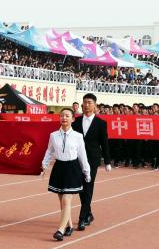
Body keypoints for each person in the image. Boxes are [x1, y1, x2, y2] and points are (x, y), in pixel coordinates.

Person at [41, 108, 90, 241]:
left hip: (72, 168)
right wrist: (44, 165)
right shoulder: (53, 135)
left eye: (67, 116)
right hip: (59, 168)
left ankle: (60, 230)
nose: (64, 118)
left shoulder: (78, 136)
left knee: (66, 200)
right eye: (62, 115)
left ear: (73, 119)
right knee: (62, 201)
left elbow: (82, 155)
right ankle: (69, 226)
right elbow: (49, 151)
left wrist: (87, 171)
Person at [71, 93, 111, 230]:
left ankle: (82, 218)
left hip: (92, 159)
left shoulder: (101, 123)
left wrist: (107, 161)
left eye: (89, 102)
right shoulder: (75, 121)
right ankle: (88, 213)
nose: (86, 105)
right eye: (85, 102)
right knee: (81, 187)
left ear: (95, 105)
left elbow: (104, 143)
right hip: (77, 158)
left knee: (88, 185)